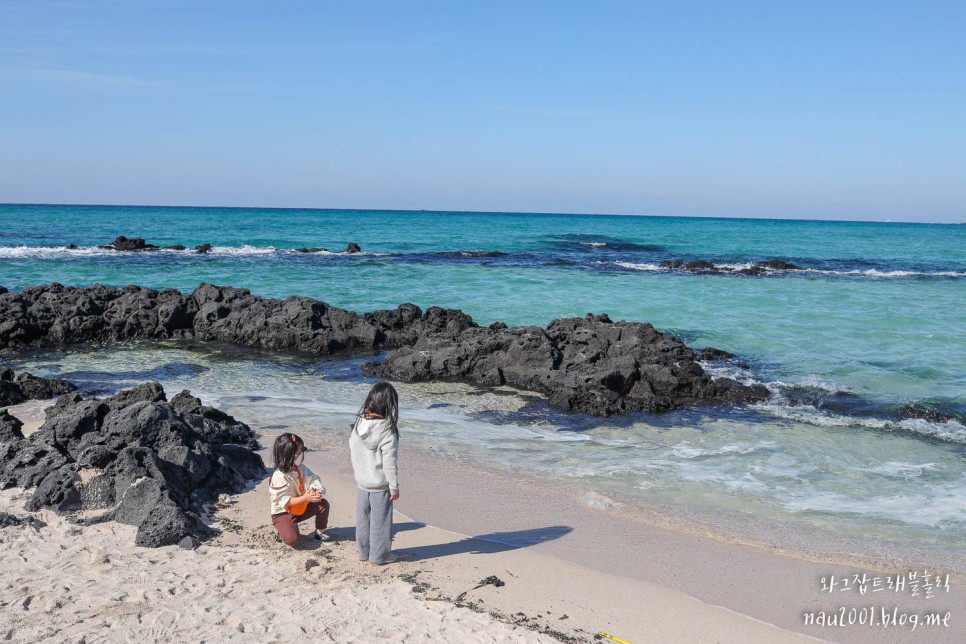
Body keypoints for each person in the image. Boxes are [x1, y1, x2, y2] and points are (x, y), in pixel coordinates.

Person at [349, 381, 400, 564]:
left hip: (362, 481)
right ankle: (379, 556)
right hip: (380, 484)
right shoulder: (387, 430)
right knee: (381, 522)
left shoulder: (358, 424)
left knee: (363, 520)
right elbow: (389, 463)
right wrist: (394, 487)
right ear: (389, 405)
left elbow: (353, 449)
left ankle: (364, 553)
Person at [269, 432, 331, 547]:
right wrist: (305, 497)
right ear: (288, 456)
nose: (302, 454)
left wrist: (316, 490)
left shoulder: (301, 468)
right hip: (282, 512)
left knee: (323, 504)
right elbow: (285, 501)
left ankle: (319, 533)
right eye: (299, 453)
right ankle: (282, 530)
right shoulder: (279, 476)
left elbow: (313, 479)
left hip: (300, 507)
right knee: (292, 540)